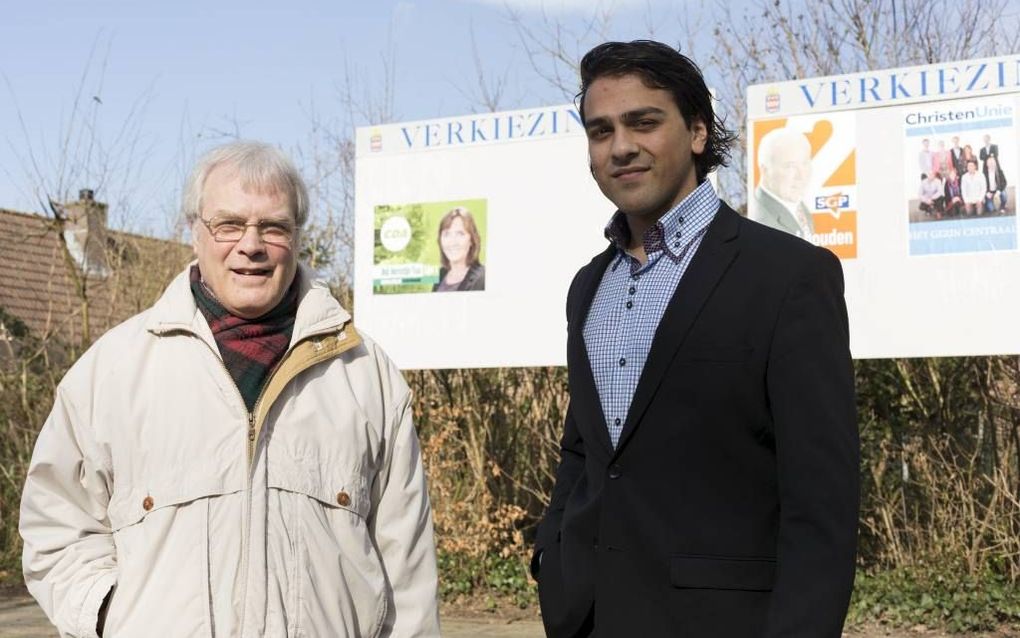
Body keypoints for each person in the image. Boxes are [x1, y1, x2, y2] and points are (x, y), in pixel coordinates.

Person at [20, 141, 440, 637]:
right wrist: (114, 615)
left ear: (297, 237)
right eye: (229, 225)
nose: (251, 245)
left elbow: (407, 572)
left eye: (274, 227)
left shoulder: (366, 376)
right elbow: (55, 528)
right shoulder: (110, 373)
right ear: (194, 232)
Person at [531, 40, 859, 638]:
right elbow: (586, 453)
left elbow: (822, 504)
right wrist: (553, 561)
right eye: (600, 130)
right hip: (590, 616)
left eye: (644, 122)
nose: (621, 146)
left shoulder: (788, 276)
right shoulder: (588, 287)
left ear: (699, 132)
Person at [751, 126, 816, 238]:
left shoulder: (799, 208)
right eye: (790, 166)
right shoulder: (760, 221)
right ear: (765, 171)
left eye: (805, 164)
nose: (801, 176)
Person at [432, 206, 485, 292]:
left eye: (460, 234)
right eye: (447, 234)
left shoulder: (481, 279)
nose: (452, 241)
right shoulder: (441, 274)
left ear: (471, 240)